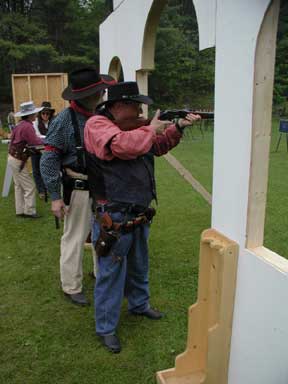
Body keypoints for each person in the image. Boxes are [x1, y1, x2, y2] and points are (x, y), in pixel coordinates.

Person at [84, 81, 201, 353]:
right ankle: (106, 328)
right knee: (111, 273)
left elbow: (157, 146)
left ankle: (139, 305)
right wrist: (150, 128)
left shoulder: (137, 128)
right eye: (134, 104)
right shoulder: (97, 126)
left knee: (138, 264)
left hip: (138, 211)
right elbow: (123, 146)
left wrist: (178, 127)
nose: (139, 109)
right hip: (113, 213)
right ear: (116, 106)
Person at [40, 67, 116, 306]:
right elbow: (49, 158)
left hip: (102, 186)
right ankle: (71, 285)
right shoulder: (63, 121)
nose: (102, 94)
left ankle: (99, 270)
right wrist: (54, 196)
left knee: (102, 231)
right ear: (85, 96)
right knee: (74, 236)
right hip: (79, 187)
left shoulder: (102, 115)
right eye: (98, 91)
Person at [8, 101, 44, 218]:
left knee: (18, 185)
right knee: (29, 186)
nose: (35, 115)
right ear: (29, 115)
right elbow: (35, 142)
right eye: (34, 113)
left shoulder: (19, 125)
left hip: (12, 157)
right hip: (18, 159)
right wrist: (47, 140)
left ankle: (20, 210)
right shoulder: (27, 126)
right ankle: (29, 211)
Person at [32, 101, 55, 199]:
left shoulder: (53, 122)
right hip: (36, 149)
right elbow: (37, 136)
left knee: (48, 170)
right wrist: (48, 137)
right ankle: (41, 190)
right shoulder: (35, 123)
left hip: (49, 149)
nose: (45, 115)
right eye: (43, 113)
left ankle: (48, 189)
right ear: (40, 114)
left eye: (47, 113)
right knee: (36, 170)